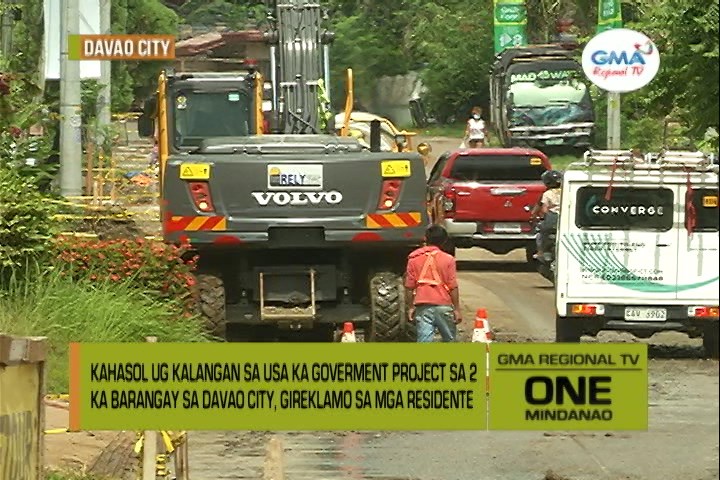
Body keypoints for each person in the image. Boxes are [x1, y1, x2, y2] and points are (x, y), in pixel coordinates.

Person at [404, 225, 462, 342]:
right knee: (449, 341)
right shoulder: (448, 259)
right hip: (443, 305)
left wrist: (410, 307)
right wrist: (456, 309)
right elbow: (453, 286)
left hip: (422, 306)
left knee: (424, 342)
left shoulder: (413, 259)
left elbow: (409, 287)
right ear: (444, 241)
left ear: (425, 238)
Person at [531, 170, 563, 259]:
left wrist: (536, 216)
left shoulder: (547, 194)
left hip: (552, 219)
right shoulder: (566, 192)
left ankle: (540, 251)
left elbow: (544, 209)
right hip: (565, 219)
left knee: (540, 235)